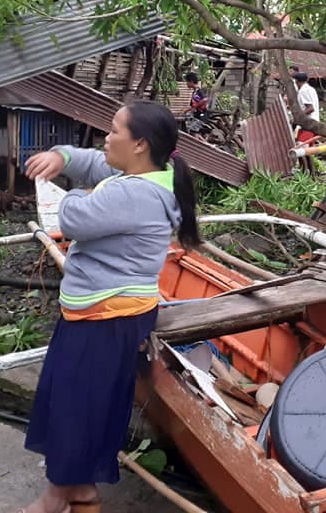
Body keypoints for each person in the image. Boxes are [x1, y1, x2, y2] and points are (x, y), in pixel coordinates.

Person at [18, 101, 200, 513]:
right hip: (103, 313)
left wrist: (77, 196)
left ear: (139, 144)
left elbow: (73, 219)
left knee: (76, 412)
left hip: (106, 319)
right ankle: (78, 494)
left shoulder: (134, 193)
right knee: (75, 406)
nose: (106, 136)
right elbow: (94, 163)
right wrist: (61, 156)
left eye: (114, 130)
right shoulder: (152, 173)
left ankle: (53, 498)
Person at [293, 71, 320, 144]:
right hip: (314, 122)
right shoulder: (311, 89)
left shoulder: (303, 91)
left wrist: (297, 117)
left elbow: (310, 108)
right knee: (309, 150)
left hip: (309, 124)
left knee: (300, 147)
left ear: (296, 81)